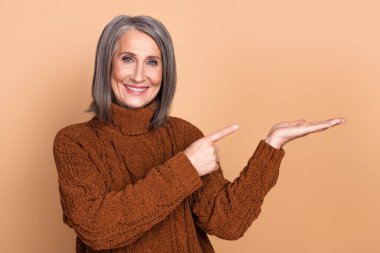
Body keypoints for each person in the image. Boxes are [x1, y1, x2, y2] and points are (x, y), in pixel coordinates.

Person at [53, 15, 345, 253]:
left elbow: (227, 224)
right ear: (107, 63)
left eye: (152, 62)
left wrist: (272, 145)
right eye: (128, 58)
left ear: (165, 72)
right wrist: (186, 168)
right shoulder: (74, 142)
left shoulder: (184, 134)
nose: (139, 75)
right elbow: (98, 230)